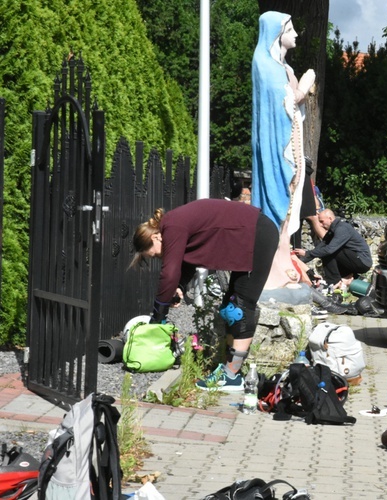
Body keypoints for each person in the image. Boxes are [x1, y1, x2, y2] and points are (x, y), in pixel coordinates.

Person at [131, 198, 278, 392]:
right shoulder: (174, 223)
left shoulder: (172, 226)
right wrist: (180, 286)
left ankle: (232, 376)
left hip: (257, 235)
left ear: (155, 237)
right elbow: (188, 261)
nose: (158, 257)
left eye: (154, 254)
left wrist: (158, 315)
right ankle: (230, 370)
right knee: (229, 308)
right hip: (249, 235)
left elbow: (170, 272)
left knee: (240, 309)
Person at [251, 11, 316, 290]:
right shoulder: (264, 65)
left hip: (291, 145)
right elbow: (285, 104)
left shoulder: (283, 67)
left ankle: (283, 257)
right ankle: (274, 264)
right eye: (290, 29)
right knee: (279, 203)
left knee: (290, 205)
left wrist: (301, 86)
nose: (296, 34)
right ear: (277, 33)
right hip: (277, 148)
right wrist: (305, 85)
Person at [293, 209, 372, 289]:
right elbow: (321, 245)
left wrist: (307, 253)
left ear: (330, 219)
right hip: (352, 259)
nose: (320, 225)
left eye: (322, 221)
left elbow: (329, 250)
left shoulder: (342, 228)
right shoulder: (333, 230)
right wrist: (299, 260)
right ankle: (351, 278)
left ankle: (334, 282)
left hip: (362, 262)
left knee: (329, 251)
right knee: (325, 250)